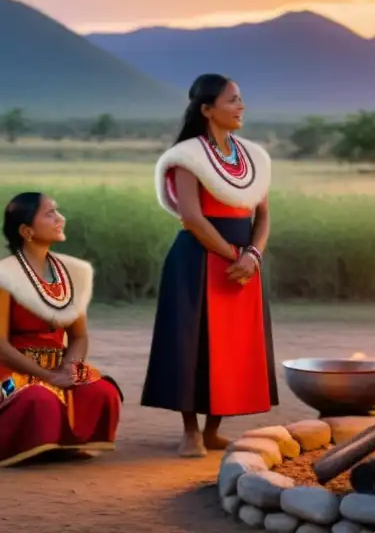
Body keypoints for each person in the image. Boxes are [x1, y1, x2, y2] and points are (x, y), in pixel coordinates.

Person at [141, 73, 277, 457]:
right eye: (232, 100)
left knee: (233, 344)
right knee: (191, 342)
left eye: (240, 98)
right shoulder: (188, 156)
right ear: (207, 109)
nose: (241, 106)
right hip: (198, 259)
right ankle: (190, 432)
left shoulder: (253, 157)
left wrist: (253, 255)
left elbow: (263, 216)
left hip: (244, 261)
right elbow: (192, 218)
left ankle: (214, 428)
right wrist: (234, 256)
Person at [0, 192, 122, 467]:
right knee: (39, 399)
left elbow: (79, 336)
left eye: (58, 211)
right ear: (26, 231)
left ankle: (62, 442)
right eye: (50, 214)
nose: (60, 219)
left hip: (59, 364)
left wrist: (69, 367)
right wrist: (46, 376)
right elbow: (1, 346)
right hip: (12, 369)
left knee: (101, 392)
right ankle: (38, 443)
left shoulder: (71, 274)